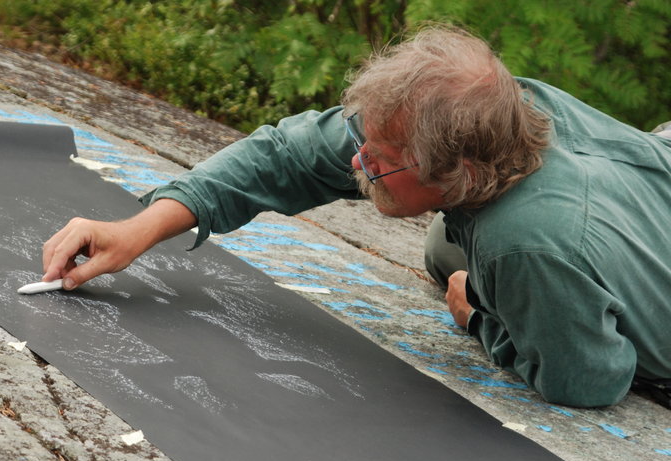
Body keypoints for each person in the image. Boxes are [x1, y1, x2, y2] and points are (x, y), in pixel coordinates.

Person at [43, 25, 671, 408]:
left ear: (461, 175)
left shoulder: (523, 246)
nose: (358, 159)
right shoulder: (505, 110)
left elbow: (588, 380)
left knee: (487, 273)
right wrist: (139, 228)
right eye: (364, 140)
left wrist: (480, 318)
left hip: (577, 252)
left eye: (384, 158)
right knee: (442, 250)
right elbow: (286, 155)